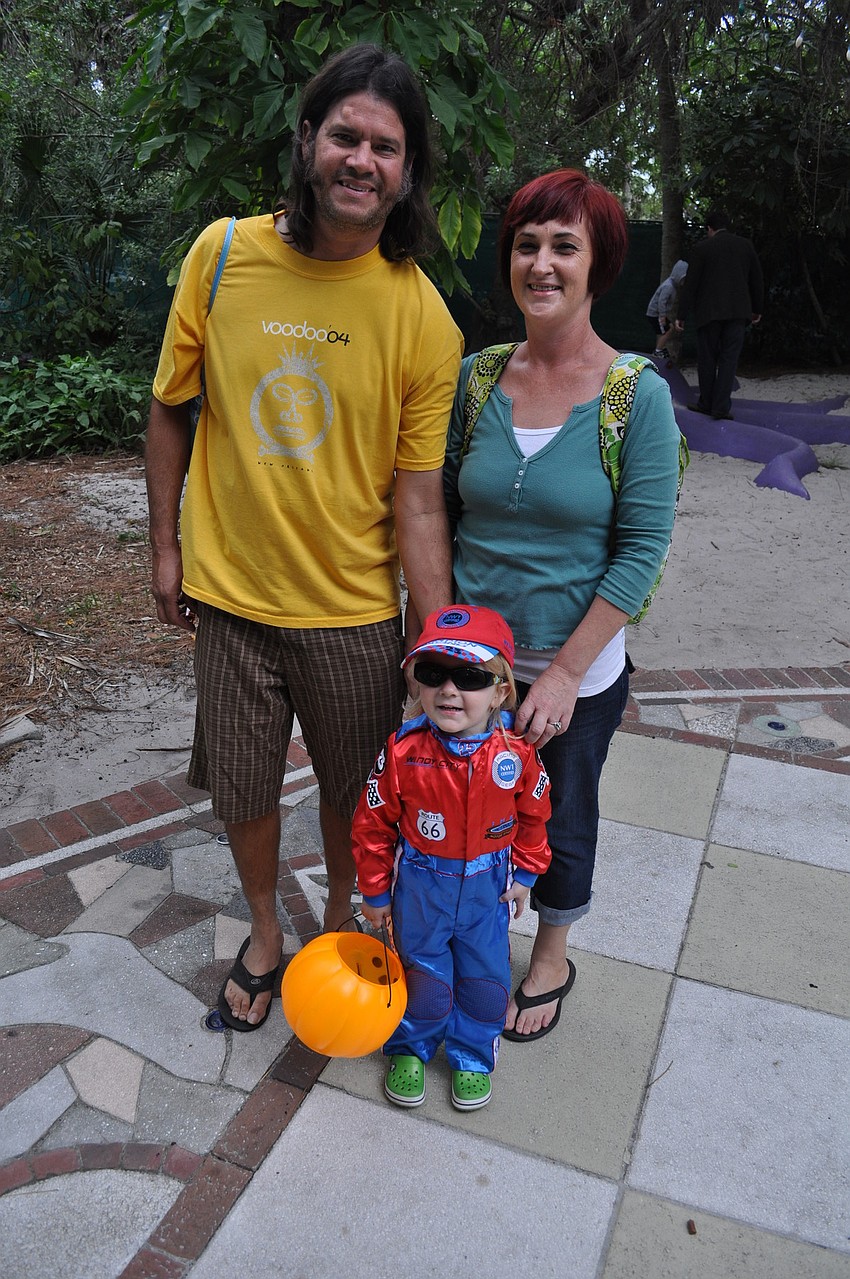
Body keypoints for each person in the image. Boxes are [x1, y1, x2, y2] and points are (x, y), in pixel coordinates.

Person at [145, 43, 464, 1031]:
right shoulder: (223, 255)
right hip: (232, 599)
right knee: (241, 789)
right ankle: (264, 930)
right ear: (307, 142)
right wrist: (165, 549)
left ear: (406, 173)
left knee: (352, 795)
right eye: (345, 136)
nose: (361, 159)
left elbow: (417, 501)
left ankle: (333, 919)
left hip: (354, 614)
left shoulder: (420, 316)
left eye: (385, 145)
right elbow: (169, 410)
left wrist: (436, 633)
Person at [443, 169, 682, 1042]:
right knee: (460, 811)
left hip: (569, 677)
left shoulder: (635, 397)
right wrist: (435, 647)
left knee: (560, 817)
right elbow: (441, 511)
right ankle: (467, 935)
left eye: (564, 246)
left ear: (598, 265)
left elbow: (643, 550)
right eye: (527, 244)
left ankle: (550, 955)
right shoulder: (472, 382)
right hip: (469, 670)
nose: (541, 263)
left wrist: (567, 673)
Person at [352, 605, 552, 1110]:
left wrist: (527, 871)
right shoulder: (402, 752)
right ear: (416, 683)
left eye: (469, 676)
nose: (449, 689)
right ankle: (411, 1047)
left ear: (501, 690)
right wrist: (374, 889)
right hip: (422, 886)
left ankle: (472, 1054)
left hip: (488, 888)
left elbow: (534, 816)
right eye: (433, 673)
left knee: (485, 981)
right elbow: (373, 823)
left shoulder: (517, 754)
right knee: (423, 977)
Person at [676, 209, 763, 420]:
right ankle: (721, 408)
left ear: (709, 229)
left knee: (707, 358)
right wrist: (757, 309)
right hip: (738, 313)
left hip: (709, 313)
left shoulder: (702, 248)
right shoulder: (745, 245)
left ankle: (706, 403)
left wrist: (682, 314)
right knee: (728, 359)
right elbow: (757, 279)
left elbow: (692, 284)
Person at [646, 259, 688, 358]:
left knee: (665, 330)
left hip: (657, 313)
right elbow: (662, 301)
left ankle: (659, 348)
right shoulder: (668, 286)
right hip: (655, 314)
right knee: (667, 330)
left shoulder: (672, 285)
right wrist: (662, 316)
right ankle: (657, 351)